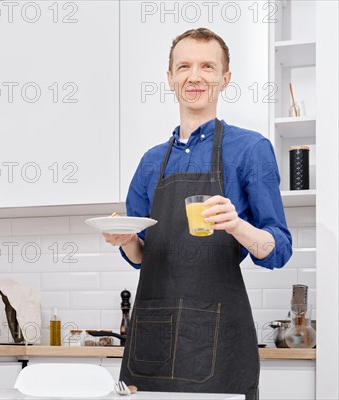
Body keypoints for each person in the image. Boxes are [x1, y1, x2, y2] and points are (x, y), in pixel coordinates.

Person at [104, 28, 292, 400]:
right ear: (170, 77)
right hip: (151, 342)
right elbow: (142, 256)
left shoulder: (251, 150)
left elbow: (279, 247)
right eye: (184, 66)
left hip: (220, 340)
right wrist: (126, 242)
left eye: (208, 66)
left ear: (225, 78)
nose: (195, 76)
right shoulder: (151, 162)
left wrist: (237, 225)